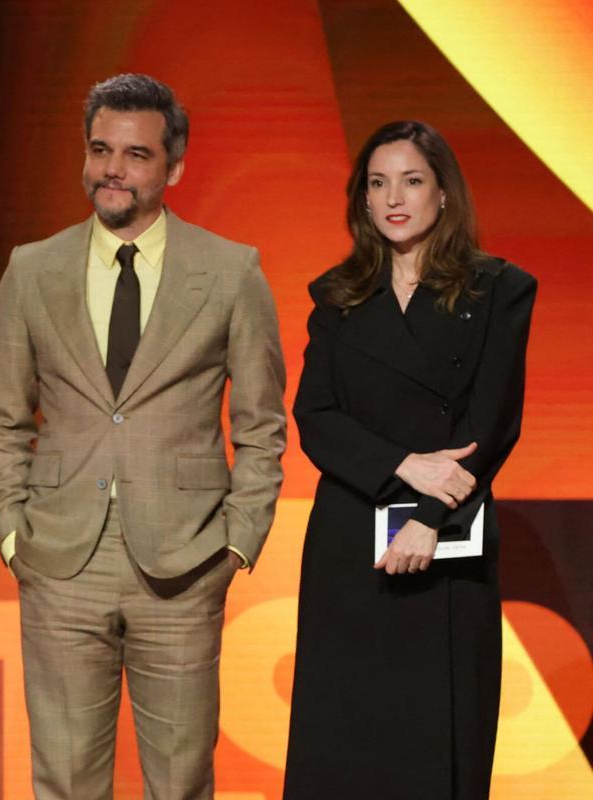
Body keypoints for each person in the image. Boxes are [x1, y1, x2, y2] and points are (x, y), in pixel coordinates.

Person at [0, 73, 286, 799]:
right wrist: (12, 533)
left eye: (136, 154)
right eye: (100, 149)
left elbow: (263, 425)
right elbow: (1, 419)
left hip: (184, 562)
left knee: (180, 782)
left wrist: (237, 541)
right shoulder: (31, 269)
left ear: (173, 167)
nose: (113, 168)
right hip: (58, 561)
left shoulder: (232, 271)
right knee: (65, 780)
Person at [284, 120, 536, 799]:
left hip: (448, 537)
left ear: (444, 194)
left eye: (412, 180)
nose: (394, 197)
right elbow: (315, 418)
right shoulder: (336, 297)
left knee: (435, 749)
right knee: (342, 746)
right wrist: (402, 464)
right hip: (349, 542)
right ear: (361, 199)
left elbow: (493, 425)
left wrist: (425, 517)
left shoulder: (498, 290)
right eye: (377, 182)